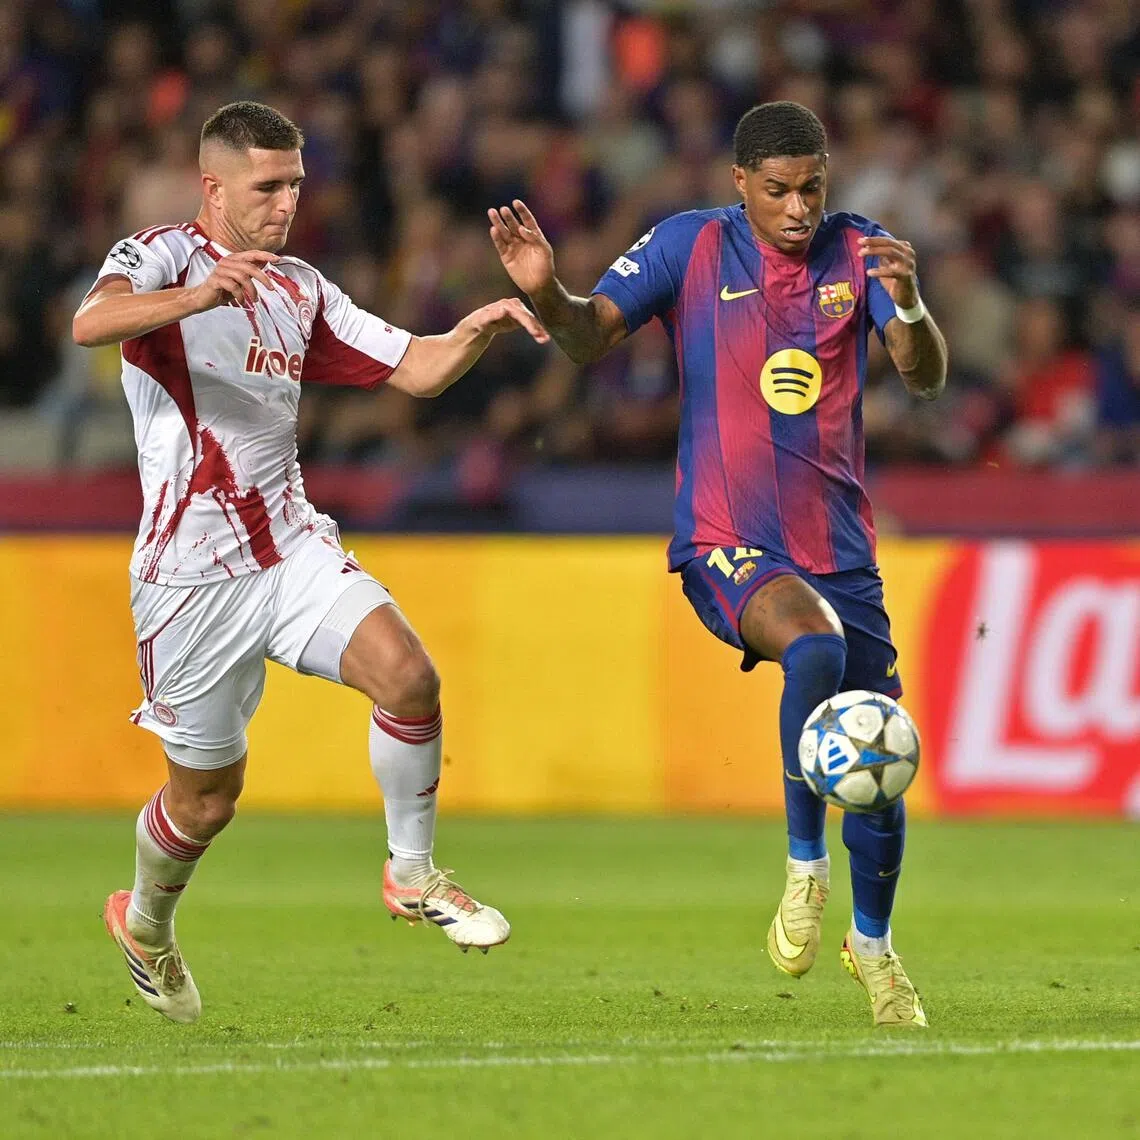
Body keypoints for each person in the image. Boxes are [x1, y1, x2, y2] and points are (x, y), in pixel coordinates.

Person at [74, 101, 548, 1024]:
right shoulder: (160, 256)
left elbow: (411, 367)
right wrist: (200, 295)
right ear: (213, 187)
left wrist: (477, 330)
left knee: (410, 679)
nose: (288, 202)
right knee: (207, 801)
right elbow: (94, 325)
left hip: (290, 548)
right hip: (188, 578)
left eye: (295, 183)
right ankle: (147, 921)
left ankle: (411, 876)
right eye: (268, 186)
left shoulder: (299, 289)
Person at [490, 101, 947, 1028]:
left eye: (812, 187)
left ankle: (874, 947)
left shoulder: (862, 252)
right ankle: (802, 872)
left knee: (881, 757)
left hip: (841, 551)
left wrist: (914, 305)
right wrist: (545, 290)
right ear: (740, 184)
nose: (797, 209)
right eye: (777, 191)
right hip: (726, 540)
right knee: (813, 653)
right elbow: (585, 337)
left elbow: (924, 373)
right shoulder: (689, 246)